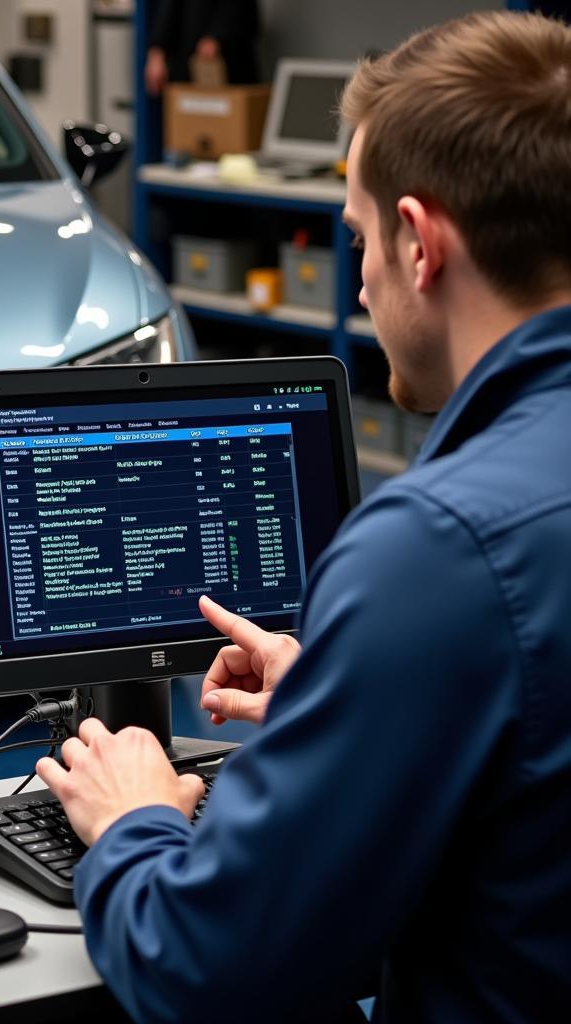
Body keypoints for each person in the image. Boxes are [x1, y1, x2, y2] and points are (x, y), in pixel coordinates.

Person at [36, 11, 571, 1023]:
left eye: (361, 240)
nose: (359, 279)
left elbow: (205, 967)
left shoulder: (437, 549)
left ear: (420, 244)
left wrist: (133, 822)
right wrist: (358, 703)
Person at [145, 0, 261, 95]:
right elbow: (169, 9)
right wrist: (157, 51)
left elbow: (247, 13)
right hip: (185, 68)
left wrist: (218, 37)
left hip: (232, 67)